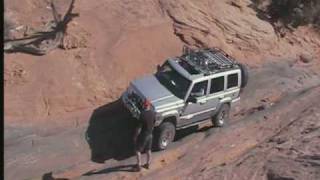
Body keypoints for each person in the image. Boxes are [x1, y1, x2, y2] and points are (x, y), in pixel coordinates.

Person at [133, 99, 155, 172]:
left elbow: (139, 128)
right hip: (150, 134)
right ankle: (148, 164)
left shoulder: (142, 115)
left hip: (144, 135)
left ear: (143, 105)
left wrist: (136, 136)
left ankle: (139, 165)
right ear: (149, 105)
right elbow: (154, 122)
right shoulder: (153, 113)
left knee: (137, 150)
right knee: (148, 149)